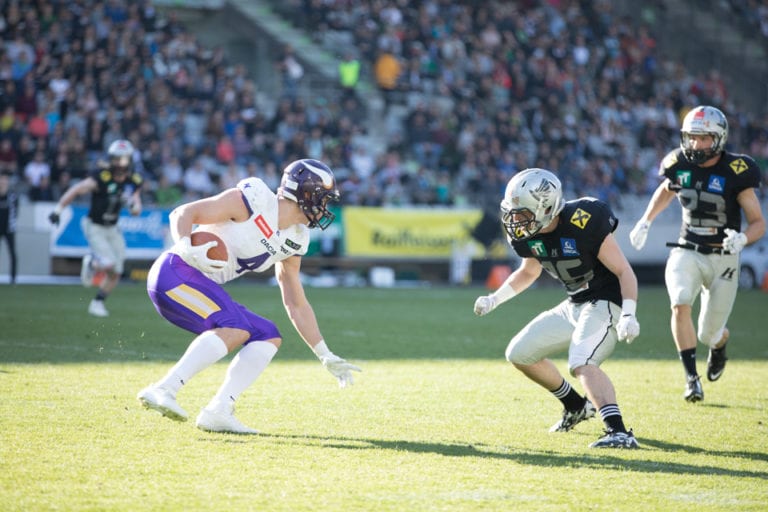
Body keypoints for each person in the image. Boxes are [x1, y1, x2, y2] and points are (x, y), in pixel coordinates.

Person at [137, 158, 361, 434]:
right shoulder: (254, 199)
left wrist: (324, 353)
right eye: (323, 199)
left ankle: (219, 410)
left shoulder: (296, 238)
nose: (325, 207)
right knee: (236, 326)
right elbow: (182, 213)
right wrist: (186, 246)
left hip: (201, 287)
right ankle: (164, 389)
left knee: (267, 334)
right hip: (174, 273)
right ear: (305, 194)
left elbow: (295, 301)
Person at [474, 168, 640, 449]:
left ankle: (619, 432)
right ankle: (576, 406)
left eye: (523, 213)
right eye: (513, 212)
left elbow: (624, 270)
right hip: (574, 303)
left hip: (605, 302)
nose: (515, 220)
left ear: (546, 207)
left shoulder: (584, 219)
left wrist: (628, 313)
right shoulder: (530, 234)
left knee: (582, 362)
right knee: (520, 353)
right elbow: (528, 273)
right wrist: (495, 299)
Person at [629, 105, 765, 402]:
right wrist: (646, 220)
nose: (695, 144)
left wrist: (743, 238)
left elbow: (758, 223)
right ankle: (692, 378)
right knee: (679, 303)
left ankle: (719, 344)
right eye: (691, 137)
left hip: (724, 258)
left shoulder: (736, 170)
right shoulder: (678, 162)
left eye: (703, 138)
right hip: (686, 249)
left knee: (708, 333)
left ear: (718, 138)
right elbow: (668, 188)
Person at [48, 139, 144, 317]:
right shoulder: (102, 176)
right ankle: (91, 263)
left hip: (112, 228)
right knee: (109, 263)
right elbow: (76, 189)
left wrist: (134, 206)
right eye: (116, 158)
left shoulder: (133, 180)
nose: (119, 163)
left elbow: (137, 208)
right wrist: (58, 209)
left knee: (118, 271)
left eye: (123, 159)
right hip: (95, 226)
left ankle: (97, 302)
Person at [0, 172, 19, 284]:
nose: (3, 182)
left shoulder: (12, 196)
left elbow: (15, 212)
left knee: (12, 253)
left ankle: (13, 278)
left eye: (5, 180)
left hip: (8, 229)